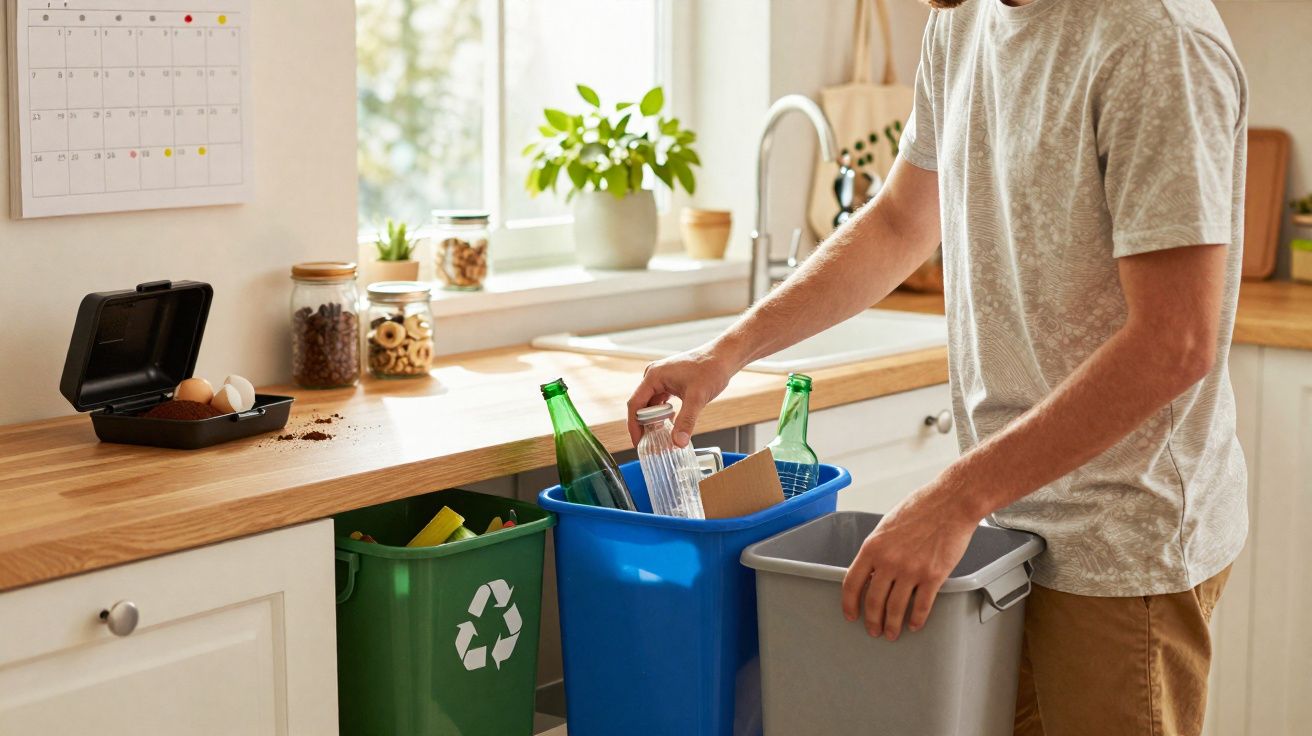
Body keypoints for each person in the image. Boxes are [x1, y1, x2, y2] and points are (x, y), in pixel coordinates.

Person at [626, 0, 1247, 733]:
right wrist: (723, 353)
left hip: (1121, 546)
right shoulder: (960, 20)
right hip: (1004, 532)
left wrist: (954, 498)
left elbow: (1173, 342)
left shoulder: (1155, 38)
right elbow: (897, 223)